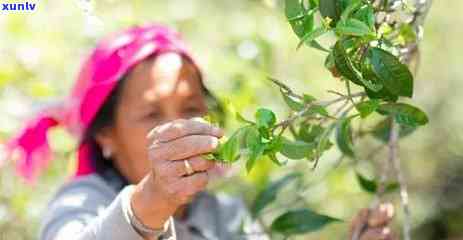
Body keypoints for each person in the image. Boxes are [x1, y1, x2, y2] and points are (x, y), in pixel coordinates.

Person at [7, 24, 396, 240]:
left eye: (192, 109)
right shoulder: (82, 200)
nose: (177, 127)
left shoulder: (226, 217)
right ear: (105, 136)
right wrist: (152, 200)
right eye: (150, 114)